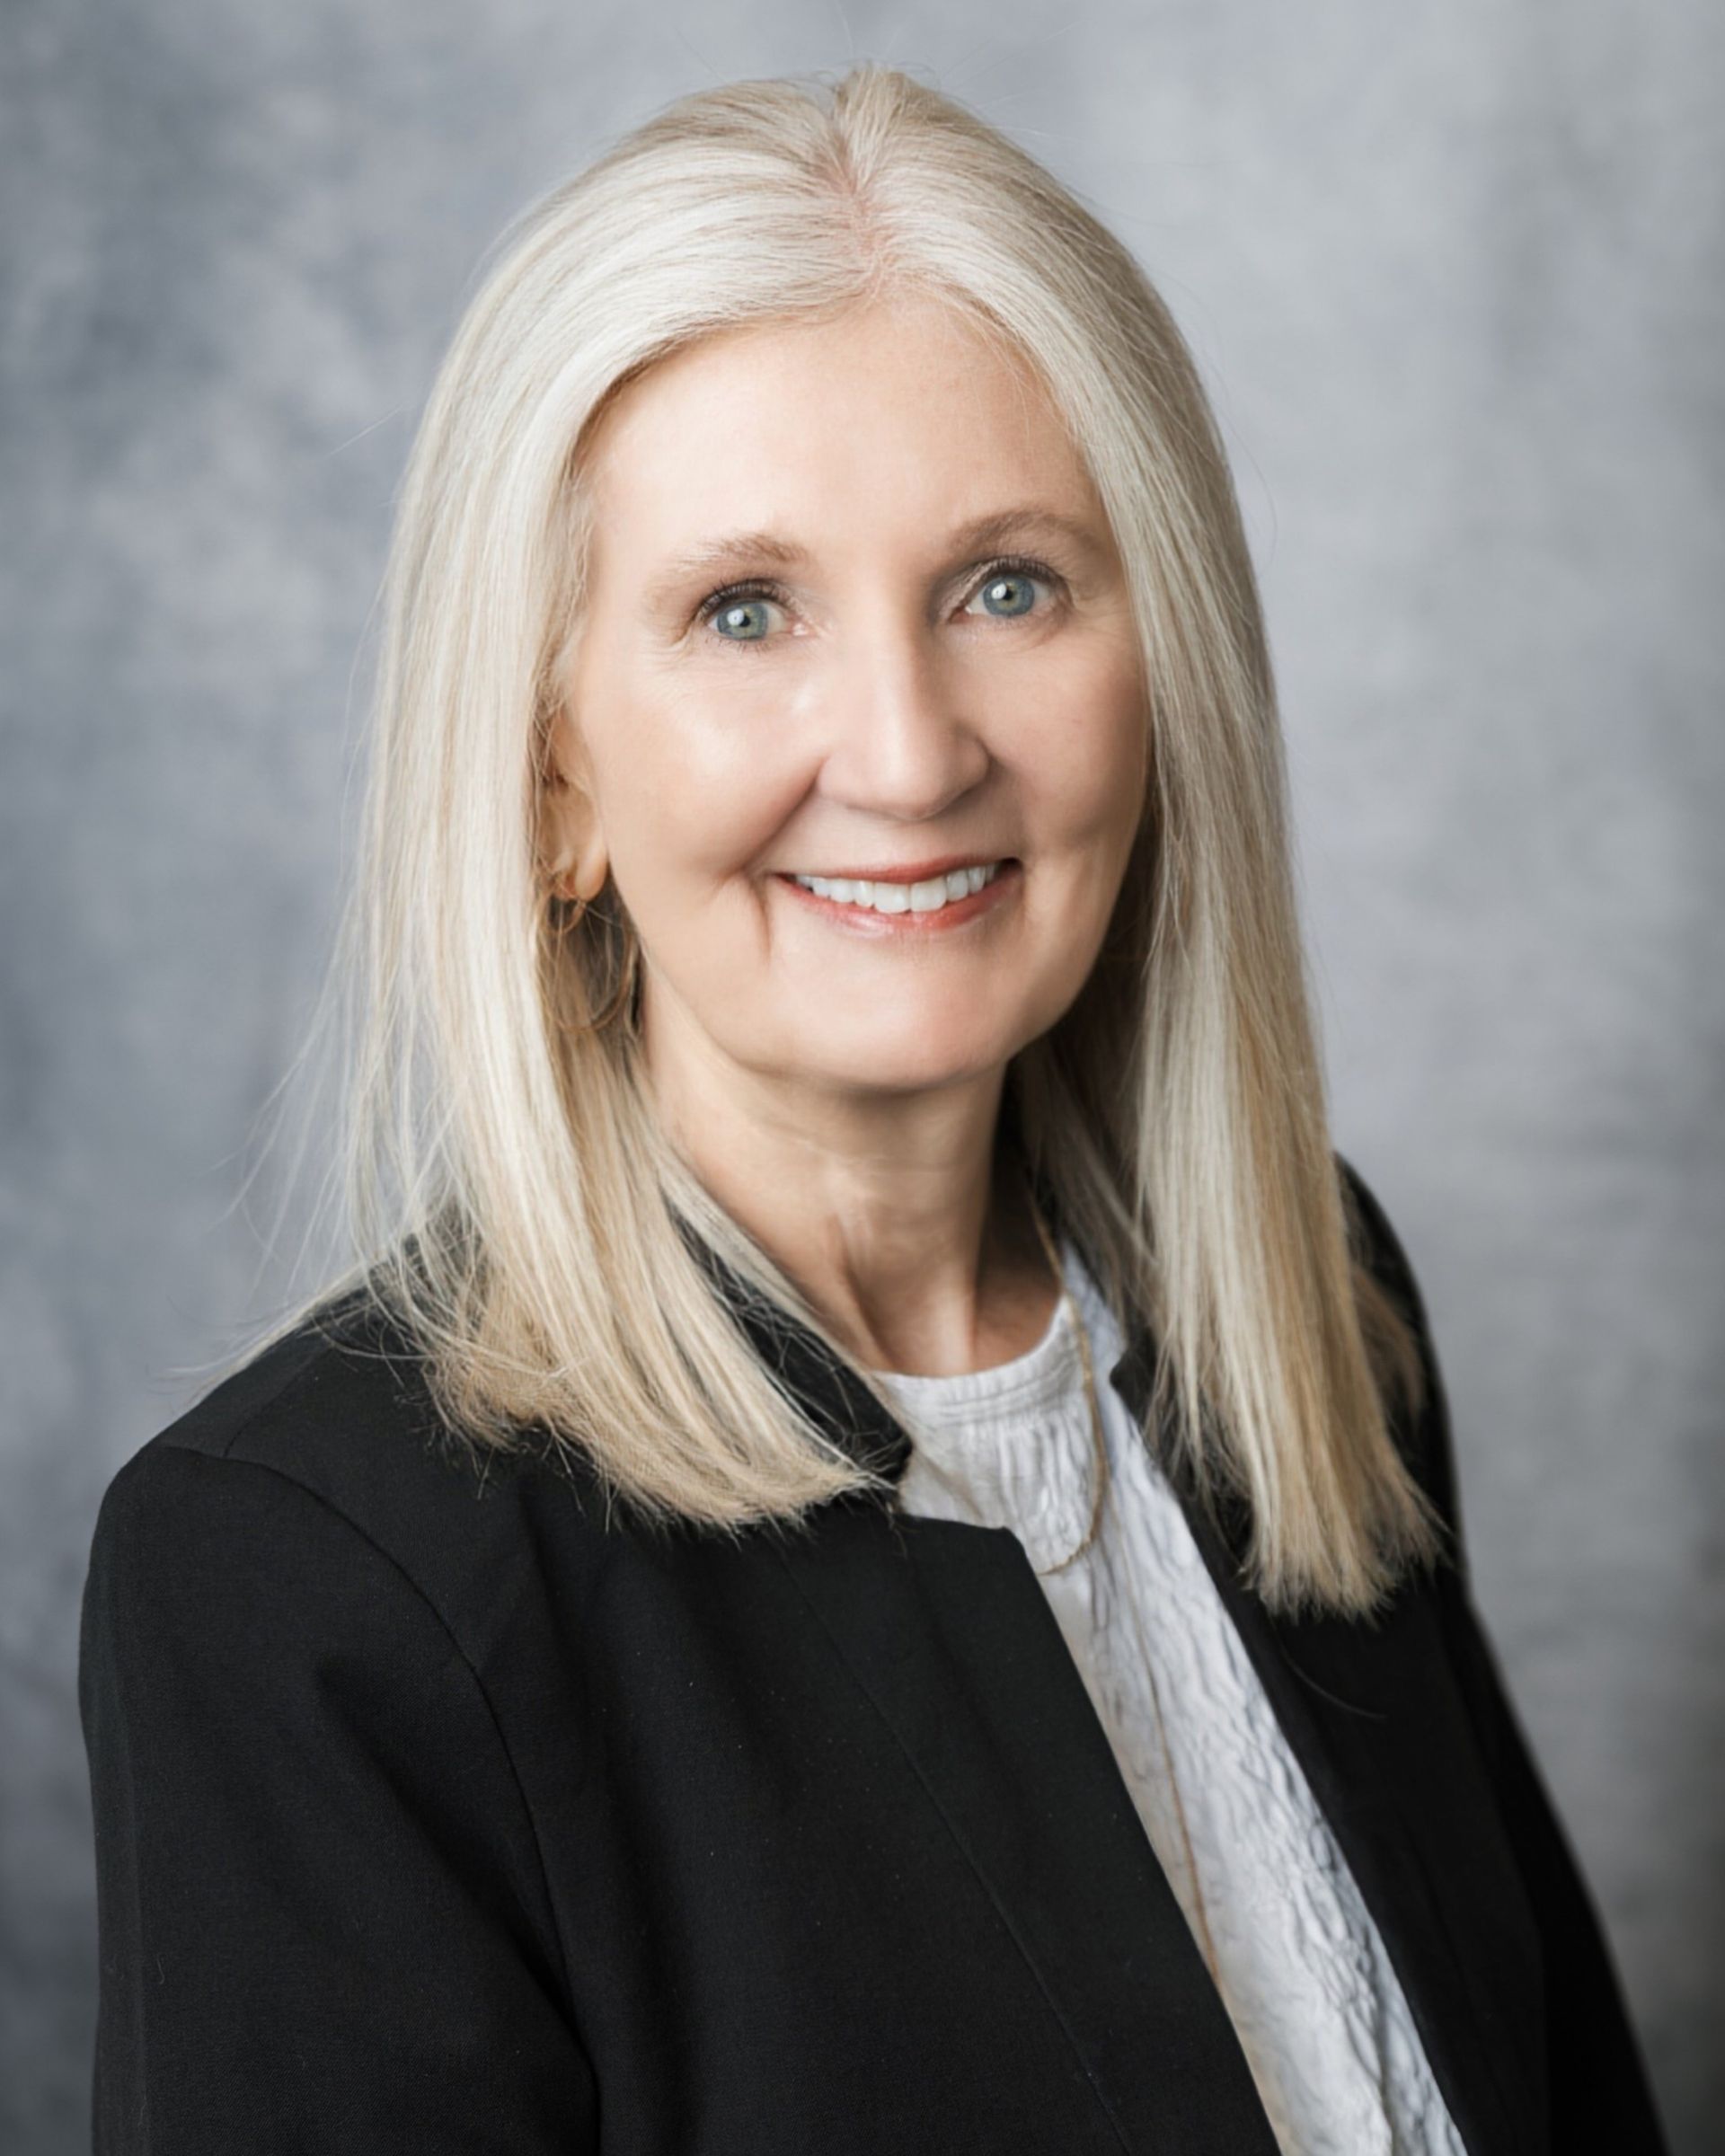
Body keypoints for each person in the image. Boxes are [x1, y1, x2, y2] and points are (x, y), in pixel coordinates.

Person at [76, 59, 1668, 2156]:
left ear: (1157, 662)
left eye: (1008, 584)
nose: (910, 755)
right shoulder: (315, 1594)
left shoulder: (1301, 1315)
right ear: (556, 780)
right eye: (747, 612)